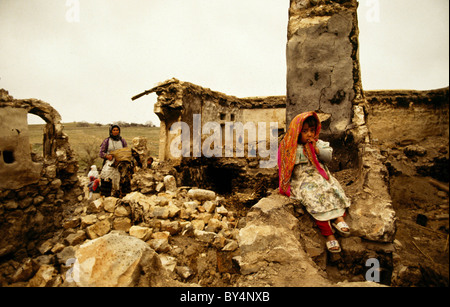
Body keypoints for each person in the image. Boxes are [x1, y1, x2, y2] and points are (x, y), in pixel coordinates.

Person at [278, 111, 351, 253]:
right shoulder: (290, 146)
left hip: (320, 176)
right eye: (305, 131)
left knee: (331, 189)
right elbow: (284, 166)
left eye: (312, 130)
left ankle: (339, 219)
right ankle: (329, 235)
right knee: (312, 197)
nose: (310, 134)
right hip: (302, 180)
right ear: (297, 132)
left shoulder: (319, 144)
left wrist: (316, 150)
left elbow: (328, 157)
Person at [99, 124, 128, 197]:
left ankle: (120, 196)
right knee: (107, 177)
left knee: (122, 178)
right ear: (111, 131)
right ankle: (106, 196)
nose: (115, 131)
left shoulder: (122, 141)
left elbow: (126, 150)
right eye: (114, 130)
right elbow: (101, 153)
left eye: (117, 130)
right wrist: (107, 156)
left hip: (120, 162)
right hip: (110, 162)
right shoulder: (107, 141)